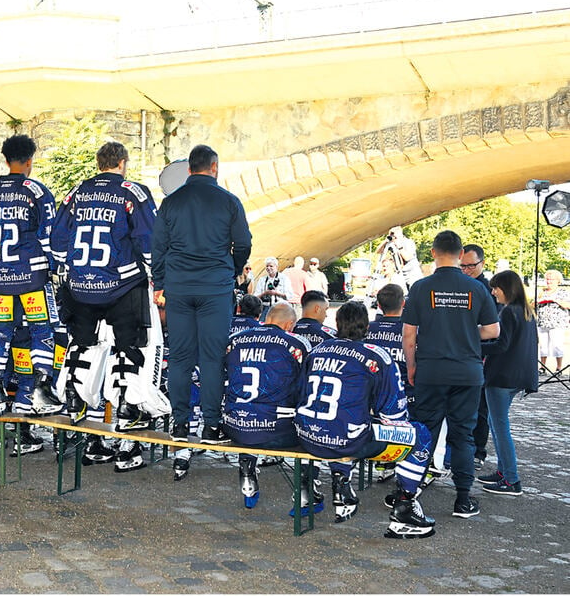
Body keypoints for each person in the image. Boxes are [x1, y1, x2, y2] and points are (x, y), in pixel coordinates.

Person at [296, 300, 437, 538]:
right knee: (420, 434)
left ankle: (341, 481)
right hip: (347, 440)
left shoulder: (316, 351)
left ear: (337, 324)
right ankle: (404, 507)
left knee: (344, 423)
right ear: (367, 328)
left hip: (308, 435)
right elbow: (394, 415)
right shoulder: (375, 356)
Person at [52, 141, 158, 437]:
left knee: (82, 342)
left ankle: (74, 400)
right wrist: (155, 273)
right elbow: (149, 238)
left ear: (99, 163)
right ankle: (128, 407)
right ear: (122, 163)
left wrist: (72, 267)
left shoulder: (75, 193)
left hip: (81, 285)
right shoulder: (131, 191)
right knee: (130, 345)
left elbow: (57, 241)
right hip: (122, 283)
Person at [152, 144, 252, 445]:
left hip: (179, 288)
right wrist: (231, 270)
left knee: (180, 358)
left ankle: (179, 425)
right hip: (215, 289)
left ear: (189, 169)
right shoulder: (229, 201)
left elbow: (158, 248)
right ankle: (210, 426)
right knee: (211, 358)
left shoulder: (171, 203)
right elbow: (243, 244)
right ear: (214, 166)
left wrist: (160, 283)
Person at [402, 230, 500, 519]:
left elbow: (409, 335)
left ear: (433, 253)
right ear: (460, 255)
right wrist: (468, 334)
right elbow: (493, 330)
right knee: (463, 435)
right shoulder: (476, 288)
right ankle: (462, 499)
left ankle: (409, 492)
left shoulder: (421, 287)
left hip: (430, 370)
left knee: (424, 432)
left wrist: (411, 366)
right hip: (467, 373)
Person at [0, 134, 62, 416]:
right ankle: (40, 389)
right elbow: (49, 234)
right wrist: (54, 267)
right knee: (42, 331)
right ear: (29, 161)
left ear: (5, 160)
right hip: (32, 277)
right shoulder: (36, 191)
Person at [223, 302, 309, 509]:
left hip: (234, 427)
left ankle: (247, 471)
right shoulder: (296, 343)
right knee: (311, 428)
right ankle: (307, 491)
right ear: (289, 324)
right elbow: (307, 388)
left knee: (249, 409)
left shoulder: (235, 340)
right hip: (277, 431)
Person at [479, 270, 539, 496]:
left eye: (496, 288)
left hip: (501, 377)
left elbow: (501, 346)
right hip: (519, 377)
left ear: (507, 288)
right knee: (498, 426)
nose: (493, 292)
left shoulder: (507, 312)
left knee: (500, 428)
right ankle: (504, 472)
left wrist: (473, 346)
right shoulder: (526, 312)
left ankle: (511, 479)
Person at [365, 282, 409, 483]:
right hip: (403, 395)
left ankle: (383, 461)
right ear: (403, 303)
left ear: (380, 306)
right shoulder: (410, 330)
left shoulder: (367, 329)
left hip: (369, 396)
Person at [462, 243, 493, 468]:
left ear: (482, 263)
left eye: (471, 265)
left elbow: (493, 328)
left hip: (480, 354)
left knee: (481, 407)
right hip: (458, 355)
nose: (466, 269)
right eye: (462, 265)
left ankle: (478, 451)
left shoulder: (488, 289)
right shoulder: (458, 284)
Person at [536, 269, 570, 373]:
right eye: (547, 279)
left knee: (557, 345)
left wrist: (555, 300)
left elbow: (568, 305)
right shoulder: (542, 292)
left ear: (558, 281)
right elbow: (533, 304)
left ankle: (559, 367)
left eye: (551, 279)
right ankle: (542, 367)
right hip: (542, 322)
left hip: (557, 323)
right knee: (543, 346)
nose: (549, 281)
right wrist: (538, 302)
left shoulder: (563, 292)